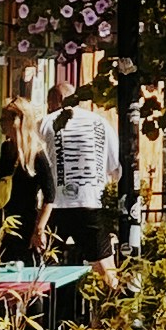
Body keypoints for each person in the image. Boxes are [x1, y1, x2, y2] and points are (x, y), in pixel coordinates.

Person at [49, 85, 122, 255]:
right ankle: (112, 282)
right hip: (92, 201)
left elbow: (38, 165)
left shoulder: (48, 122)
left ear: (56, 101)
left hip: (56, 204)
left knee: (46, 263)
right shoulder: (100, 122)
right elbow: (115, 168)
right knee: (103, 263)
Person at [0, 97, 55, 261]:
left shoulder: (37, 154)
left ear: (19, 120)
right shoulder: (6, 148)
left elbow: (50, 196)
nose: (0, 123)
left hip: (26, 225)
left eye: (4, 119)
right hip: (4, 221)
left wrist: (39, 230)